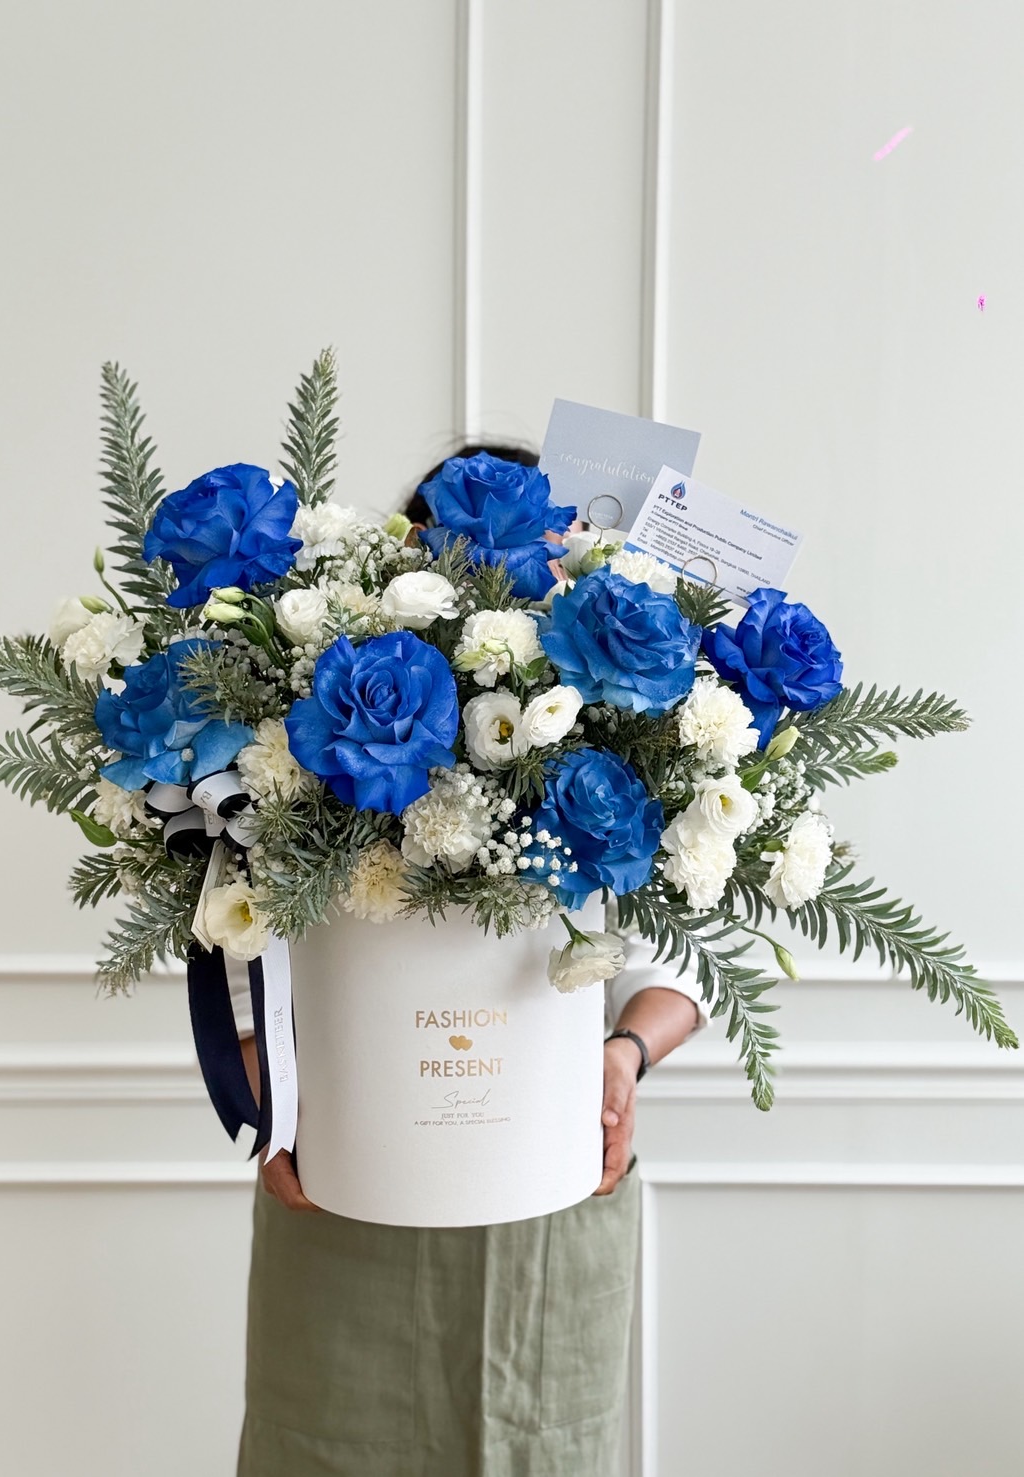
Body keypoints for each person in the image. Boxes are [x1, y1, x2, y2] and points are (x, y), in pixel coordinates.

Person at [233, 446, 709, 1477]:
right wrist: (265, 1093)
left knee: (539, 1451)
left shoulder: (619, 754)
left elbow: (677, 963)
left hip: (550, 1193)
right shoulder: (318, 761)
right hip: (343, 1191)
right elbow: (248, 959)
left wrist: (622, 1054)